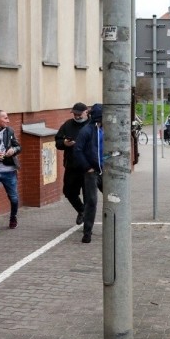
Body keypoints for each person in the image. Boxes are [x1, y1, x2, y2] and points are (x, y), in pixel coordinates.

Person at [73, 103, 104, 243]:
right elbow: (77, 150)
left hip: (104, 171)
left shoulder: (106, 130)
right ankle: (87, 232)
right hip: (92, 172)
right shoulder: (87, 131)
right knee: (91, 201)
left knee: (115, 198)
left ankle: (117, 228)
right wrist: (87, 167)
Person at [55, 102, 89, 226]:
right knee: (69, 192)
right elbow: (58, 141)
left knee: (88, 195)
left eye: (79, 114)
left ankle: (88, 226)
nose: (77, 116)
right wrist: (64, 143)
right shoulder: (67, 125)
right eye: (75, 114)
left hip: (87, 167)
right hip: (71, 165)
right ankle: (81, 210)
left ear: (86, 112)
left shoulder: (92, 125)